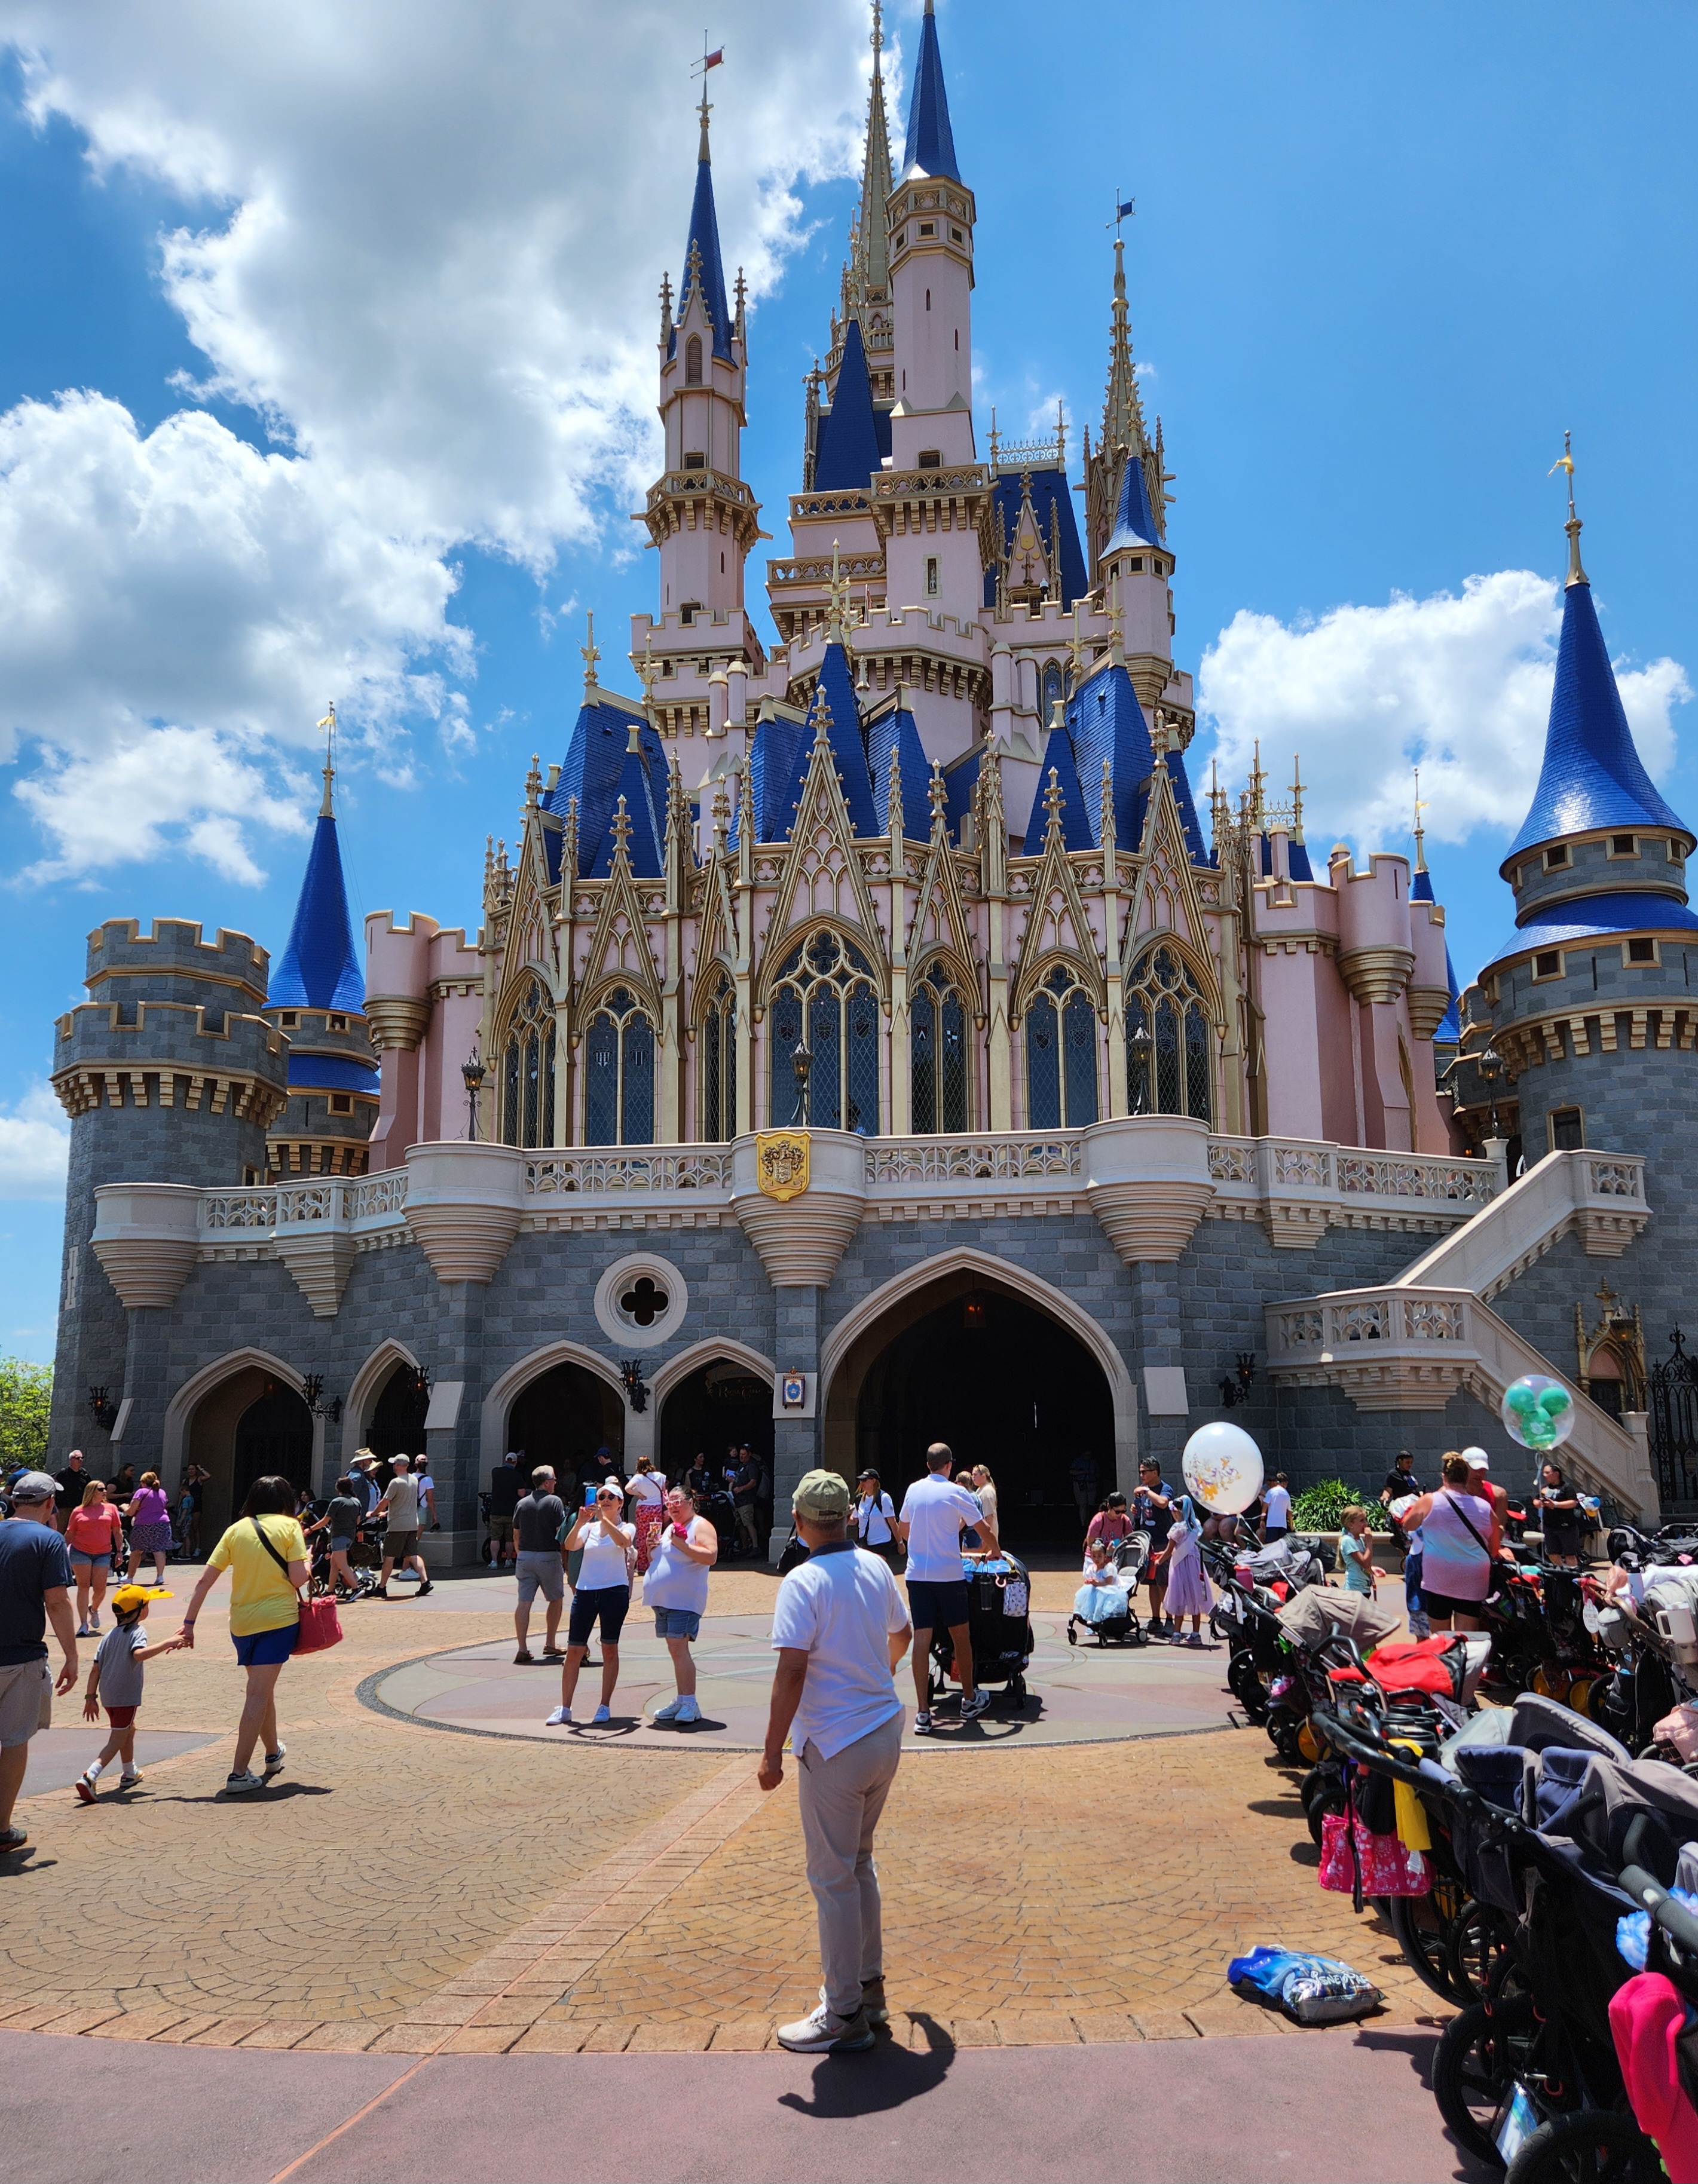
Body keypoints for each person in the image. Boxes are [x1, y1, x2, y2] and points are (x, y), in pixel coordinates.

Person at [760, 1468, 911, 2056]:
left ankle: (844, 2010)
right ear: (849, 1516)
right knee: (859, 1863)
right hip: (882, 1731)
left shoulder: (803, 1580)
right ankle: (868, 1987)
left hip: (836, 1742)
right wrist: (879, 1672)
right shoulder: (875, 1566)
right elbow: (903, 1634)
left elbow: (792, 1669)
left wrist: (772, 1751)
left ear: (799, 1521)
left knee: (831, 1878)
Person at [177, 1474, 308, 1794]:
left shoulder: (235, 1530)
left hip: (241, 1623)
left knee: (262, 1691)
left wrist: (189, 1624)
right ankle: (238, 1773)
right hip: (277, 1621)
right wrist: (309, 1565)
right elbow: (298, 1579)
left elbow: (204, 1582)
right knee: (258, 1694)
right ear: (285, 1501)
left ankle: (273, 1753)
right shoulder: (290, 1527)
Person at [0, 1473, 79, 1853]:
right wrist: (72, 1655)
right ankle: (1, 1828)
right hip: (21, 1657)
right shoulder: (48, 1540)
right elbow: (58, 1602)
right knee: (14, 1740)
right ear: (49, 1504)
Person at [894, 1443, 997, 1734]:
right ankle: (969, 1698)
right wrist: (996, 1550)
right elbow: (982, 1528)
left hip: (918, 1575)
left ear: (928, 1465)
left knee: (922, 1639)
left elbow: (903, 1530)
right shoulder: (957, 1492)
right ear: (949, 1465)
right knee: (960, 1637)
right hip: (949, 1575)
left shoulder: (913, 1490)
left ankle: (923, 1713)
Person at [75, 1582, 183, 1801]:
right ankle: (90, 1776)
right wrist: (168, 1643)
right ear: (140, 1610)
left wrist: (90, 1698)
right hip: (125, 1696)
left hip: (108, 1696)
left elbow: (95, 1670)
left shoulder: (108, 1636)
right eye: (147, 1605)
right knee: (117, 1739)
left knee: (128, 1729)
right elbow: (139, 1654)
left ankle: (129, 1772)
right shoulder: (138, 1631)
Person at [547, 1482, 633, 1727]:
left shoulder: (626, 1527)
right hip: (586, 1591)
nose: (605, 1500)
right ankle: (565, 1707)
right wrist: (580, 1522)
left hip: (613, 1592)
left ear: (620, 1503)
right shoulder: (589, 1528)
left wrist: (603, 1519)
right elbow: (570, 1545)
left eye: (611, 1497)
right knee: (574, 1650)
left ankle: (604, 1705)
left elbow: (623, 1543)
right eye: (601, 1496)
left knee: (609, 1649)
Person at [1394, 1453, 1502, 1632]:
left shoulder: (1429, 1500)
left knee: (1441, 1638)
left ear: (1444, 1477)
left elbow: (1408, 1525)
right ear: (1466, 1478)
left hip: (1439, 1578)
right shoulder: (1485, 1508)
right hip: (1473, 1578)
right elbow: (1495, 1548)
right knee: (1467, 1638)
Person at [645, 1484, 718, 1725]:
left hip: (685, 1600)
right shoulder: (669, 1528)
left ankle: (690, 1703)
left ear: (690, 1502)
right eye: (670, 1503)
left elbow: (711, 1556)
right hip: (664, 1600)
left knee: (679, 1647)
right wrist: (650, 1548)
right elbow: (659, 1558)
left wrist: (683, 1545)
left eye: (678, 1502)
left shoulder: (700, 1525)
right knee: (674, 1649)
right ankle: (681, 1699)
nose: (673, 1507)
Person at [512, 1465, 567, 1664]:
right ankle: (550, 1642)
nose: (555, 1482)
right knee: (556, 1599)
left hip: (525, 1557)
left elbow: (516, 1534)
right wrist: (565, 1559)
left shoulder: (522, 1503)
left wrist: (521, 1554)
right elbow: (561, 1532)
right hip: (548, 1556)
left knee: (524, 1603)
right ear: (547, 1482)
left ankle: (522, 1648)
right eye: (554, 1479)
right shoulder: (555, 1501)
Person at [370, 1455, 433, 1600]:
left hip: (397, 1525)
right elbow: (403, 1502)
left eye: (394, 1464)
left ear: (397, 1466)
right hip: (412, 1523)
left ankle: (382, 1587)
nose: (393, 1466)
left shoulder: (395, 1482)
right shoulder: (414, 1480)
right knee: (413, 1554)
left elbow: (385, 1501)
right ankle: (425, 1582)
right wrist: (388, 1512)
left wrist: (373, 1513)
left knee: (389, 1556)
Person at [66, 1480, 123, 1635]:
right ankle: (83, 1624)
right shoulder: (78, 1511)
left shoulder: (111, 1508)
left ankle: (94, 1609)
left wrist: (119, 1552)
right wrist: (61, 1551)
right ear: (91, 1492)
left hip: (103, 1553)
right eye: (100, 1489)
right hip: (80, 1552)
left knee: (100, 1588)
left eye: (105, 1489)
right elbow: (70, 1534)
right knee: (83, 1586)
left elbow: (117, 1531)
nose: (104, 1491)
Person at [304, 1476, 370, 1600]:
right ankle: (329, 1591)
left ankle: (356, 1589)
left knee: (342, 1564)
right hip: (349, 1537)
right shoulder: (356, 1502)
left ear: (338, 1488)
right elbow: (357, 1521)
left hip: (338, 1537)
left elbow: (325, 1521)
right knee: (334, 1564)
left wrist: (311, 1529)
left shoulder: (337, 1502)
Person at [1159, 1495, 1214, 1645]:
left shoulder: (1177, 1528)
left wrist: (1158, 1561)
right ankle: (1196, 1634)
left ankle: (1177, 1634)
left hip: (1180, 1566)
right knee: (1195, 1598)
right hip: (1195, 1566)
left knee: (1179, 1598)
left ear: (1177, 1511)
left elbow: (1169, 1550)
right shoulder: (1196, 1525)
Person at [1131, 1460, 1175, 1634]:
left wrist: (1147, 1491)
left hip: (1162, 1541)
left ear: (1155, 1472)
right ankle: (1156, 1619)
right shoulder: (1143, 1491)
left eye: (1145, 1472)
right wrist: (1135, 1509)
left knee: (1164, 1582)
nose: (1141, 1475)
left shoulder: (1164, 1488)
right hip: (1147, 1541)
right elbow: (1139, 1511)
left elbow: (1163, 1503)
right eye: (1140, 1472)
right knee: (1151, 1582)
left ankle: (1170, 1620)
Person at [124, 1471, 173, 1585]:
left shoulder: (141, 1492)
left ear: (144, 1482)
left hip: (144, 1524)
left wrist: (124, 1507)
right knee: (159, 1550)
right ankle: (160, 1576)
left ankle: (130, 1578)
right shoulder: (162, 1492)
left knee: (136, 1551)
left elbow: (131, 1512)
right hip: (163, 1524)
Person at [1073, 1536, 1131, 1629]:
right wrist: (1089, 1582)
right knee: (1090, 1591)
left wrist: (1096, 1584)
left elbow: (1109, 1584)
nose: (1097, 1559)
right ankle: (1090, 1618)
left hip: (1110, 1592)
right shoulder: (1092, 1568)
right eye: (1094, 1556)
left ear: (1105, 1557)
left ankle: (1098, 1619)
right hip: (1097, 1591)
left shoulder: (1108, 1568)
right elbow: (1091, 1580)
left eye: (1099, 1556)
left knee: (1099, 1595)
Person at [1536, 1462, 1583, 1569]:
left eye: (1547, 1473)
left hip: (1566, 1526)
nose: (1544, 1475)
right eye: (1544, 1473)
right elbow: (1537, 1500)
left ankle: (1574, 1573)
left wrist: (1556, 1505)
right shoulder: (1545, 1489)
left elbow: (1573, 1503)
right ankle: (1561, 1571)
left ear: (1556, 1474)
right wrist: (1538, 1503)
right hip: (1549, 1526)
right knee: (1552, 1553)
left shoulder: (1567, 1487)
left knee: (1570, 1554)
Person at [626, 1457, 666, 1575]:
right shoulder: (660, 1476)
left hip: (643, 1508)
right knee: (655, 1536)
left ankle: (642, 1566)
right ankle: (654, 1562)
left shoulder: (638, 1477)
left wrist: (638, 1494)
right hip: (657, 1508)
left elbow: (627, 1488)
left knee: (642, 1536)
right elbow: (664, 1491)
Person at [853, 1471, 900, 1569]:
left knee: (876, 1569)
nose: (862, 1483)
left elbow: (893, 1522)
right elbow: (854, 1520)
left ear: (873, 1481)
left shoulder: (884, 1498)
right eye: (861, 1480)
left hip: (881, 1543)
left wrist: (900, 1543)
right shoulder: (859, 1499)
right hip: (864, 1543)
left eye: (865, 1480)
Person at [487, 1452, 521, 1569]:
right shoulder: (517, 1475)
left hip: (496, 1511)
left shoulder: (495, 1472)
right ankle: (508, 1560)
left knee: (495, 1538)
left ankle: (494, 1561)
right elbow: (521, 1493)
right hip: (510, 1512)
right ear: (515, 1462)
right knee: (509, 1539)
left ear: (506, 1460)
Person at [1339, 1505, 1376, 1594]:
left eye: (1365, 1520)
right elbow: (1364, 1563)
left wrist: (1372, 1569)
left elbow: (1365, 1563)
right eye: (1362, 1521)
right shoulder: (1348, 1541)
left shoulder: (1359, 1540)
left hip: (1363, 1587)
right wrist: (1369, 1543)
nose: (1366, 1524)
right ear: (1350, 1525)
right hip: (1355, 1589)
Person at [732, 1446, 762, 1557]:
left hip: (747, 1500)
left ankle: (755, 1547)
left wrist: (742, 1488)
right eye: (740, 1454)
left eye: (744, 1454)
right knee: (740, 1524)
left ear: (749, 1454)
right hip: (738, 1501)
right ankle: (745, 1547)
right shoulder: (741, 1466)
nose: (741, 1457)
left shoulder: (752, 1467)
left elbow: (753, 1482)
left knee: (748, 1523)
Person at [1084, 1491, 1135, 1555]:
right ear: (1109, 1507)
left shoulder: (1125, 1520)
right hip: (1095, 1556)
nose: (1120, 1515)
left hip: (1115, 1556)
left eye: (1123, 1511)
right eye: (1117, 1512)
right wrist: (1105, 1552)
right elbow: (1090, 1544)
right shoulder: (1098, 1521)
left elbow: (1130, 1541)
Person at [54, 1450, 92, 1529]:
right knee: (62, 1529)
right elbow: (55, 1487)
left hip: (80, 1508)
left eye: (82, 1458)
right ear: (71, 1460)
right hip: (65, 1508)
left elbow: (89, 1488)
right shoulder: (63, 1473)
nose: (81, 1460)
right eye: (78, 1458)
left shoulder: (85, 1473)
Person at [1070, 1450, 1100, 1533]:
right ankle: (1083, 1525)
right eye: (1086, 1455)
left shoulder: (1093, 1463)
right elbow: (1072, 1472)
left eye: (1090, 1456)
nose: (1088, 1457)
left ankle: (1090, 1523)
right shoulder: (1077, 1462)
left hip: (1092, 1484)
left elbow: (1098, 1473)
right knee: (1083, 1504)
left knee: (1091, 1505)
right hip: (1081, 1484)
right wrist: (1085, 1472)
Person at [969, 1466, 999, 1543]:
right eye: (972, 1475)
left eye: (975, 1475)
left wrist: (987, 1537)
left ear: (984, 1476)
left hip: (986, 1539)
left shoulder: (987, 1491)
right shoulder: (981, 1489)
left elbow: (989, 1517)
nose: (973, 1477)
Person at [1263, 1473, 1292, 1541]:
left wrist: (1262, 1519)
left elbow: (1265, 1505)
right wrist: (1291, 1526)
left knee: (1271, 1545)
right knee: (1281, 1545)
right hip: (1283, 1525)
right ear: (1284, 1483)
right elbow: (1289, 1512)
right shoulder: (1287, 1494)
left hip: (1271, 1524)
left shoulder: (1271, 1492)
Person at [414, 1459, 439, 1532]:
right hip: (422, 1507)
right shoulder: (428, 1479)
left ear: (415, 1465)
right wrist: (434, 1514)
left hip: (409, 1508)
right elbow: (430, 1499)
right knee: (420, 1528)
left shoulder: (409, 1477)